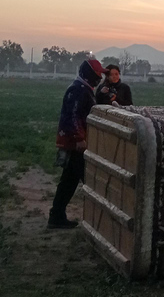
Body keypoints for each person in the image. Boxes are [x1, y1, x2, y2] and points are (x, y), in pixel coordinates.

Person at [48, 58, 107, 229]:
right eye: (97, 74)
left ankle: (56, 216)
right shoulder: (78, 90)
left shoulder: (83, 89)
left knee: (69, 181)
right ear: (89, 74)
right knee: (89, 180)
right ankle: (99, 221)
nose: (99, 78)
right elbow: (72, 116)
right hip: (76, 144)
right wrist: (79, 138)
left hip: (76, 143)